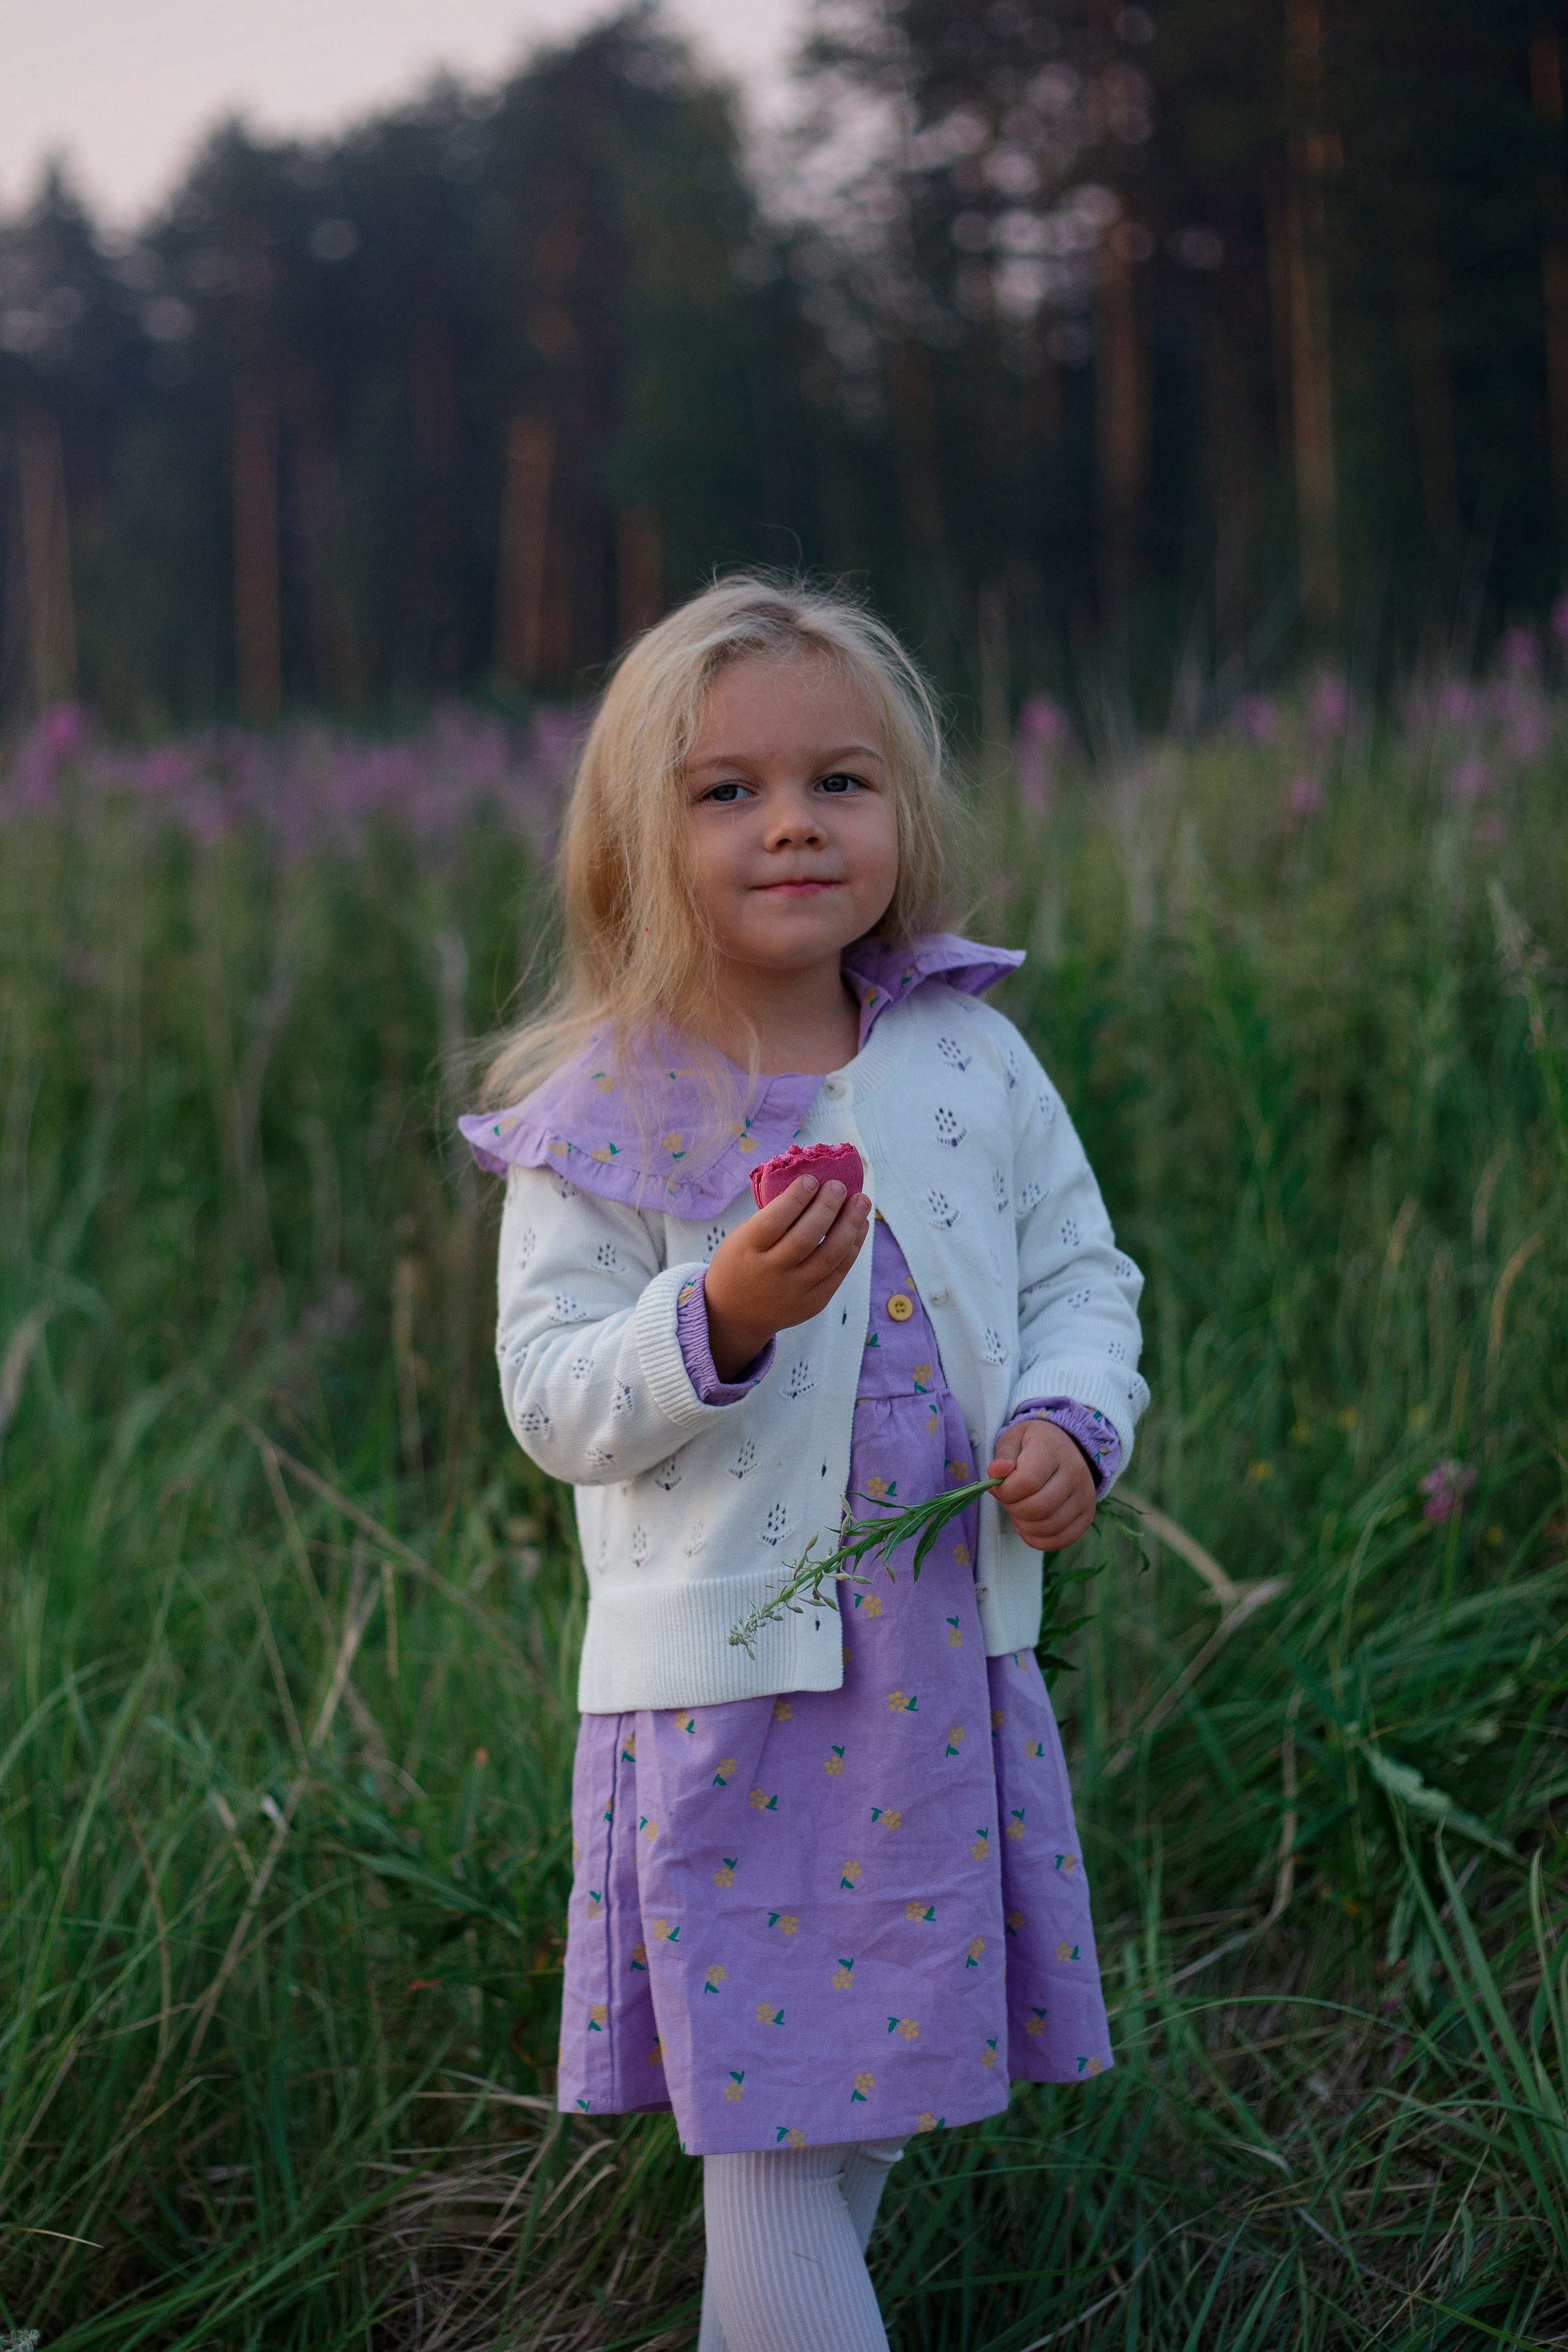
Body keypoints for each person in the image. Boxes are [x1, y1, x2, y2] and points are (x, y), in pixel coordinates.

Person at [460, 575, 1148, 2351]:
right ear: (635, 842)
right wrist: (718, 1318)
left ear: (904, 810)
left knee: (866, 2110)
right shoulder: (606, 1105)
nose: (793, 824)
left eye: (841, 781)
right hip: (731, 1698)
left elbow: (1080, 1276)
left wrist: (1071, 1421)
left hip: (944, 1668)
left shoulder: (967, 1055)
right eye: (728, 791)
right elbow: (550, 1396)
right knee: (774, 2146)